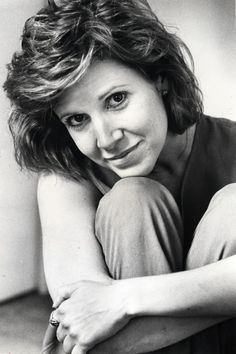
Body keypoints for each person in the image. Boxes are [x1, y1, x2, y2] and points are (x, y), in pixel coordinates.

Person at [3, 0, 236, 353]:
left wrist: (125, 299)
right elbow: (80, 320)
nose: (106, 138)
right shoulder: (66, 177)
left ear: (160, 80)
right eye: (77, 119)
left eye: (116, 99)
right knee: (132, 199)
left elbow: (102, 327)